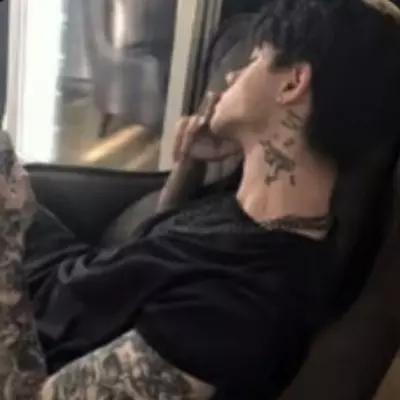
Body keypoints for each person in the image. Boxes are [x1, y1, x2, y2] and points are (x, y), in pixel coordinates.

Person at [2, 0, 400, 398]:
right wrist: (189, 168)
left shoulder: (237, 311)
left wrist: (7, 240)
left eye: (255, 59)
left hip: (33, 339)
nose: (232, 74)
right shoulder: (261, 211)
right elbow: (158, 261)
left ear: (292, 83)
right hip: (63, 284)